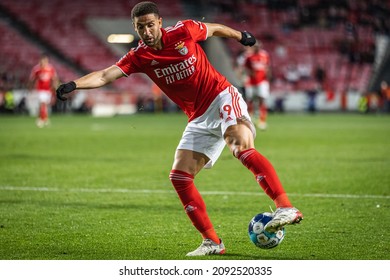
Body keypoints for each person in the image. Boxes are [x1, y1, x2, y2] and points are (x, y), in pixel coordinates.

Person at [56, 1, 303, 256]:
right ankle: (213, 243)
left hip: (221, 97)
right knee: (179, 177)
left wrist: (241, 36)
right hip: (197, 117)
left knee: (239, 147)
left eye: (151, 25)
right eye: (141, 27)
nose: (147, 32)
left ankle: (285, 207)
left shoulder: (183, 31)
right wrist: (74, 84)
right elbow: (106, 75)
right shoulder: (139, 56)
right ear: (135, 28)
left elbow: (215, 28)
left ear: (160, 23)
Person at [243, 42, 271, 130]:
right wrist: (250, 73)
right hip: (251, 82)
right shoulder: (249, 57)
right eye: (255, 46)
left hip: (262, 81)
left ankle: (262, 121)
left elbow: (267, 67)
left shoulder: (265, 55)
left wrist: (268, 75)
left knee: (262, 100)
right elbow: (246, 68)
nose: (257, 48)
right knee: (250, 100)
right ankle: (250, 119)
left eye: (258, 46)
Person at [29, 54, 59, 127]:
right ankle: (42, 119)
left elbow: (55, 78)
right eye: (42, 61)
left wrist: (55, 87)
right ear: (40, 61)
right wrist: (30, 87)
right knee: (43, 104)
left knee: (45, 105)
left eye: (45, 61)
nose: (44, 63)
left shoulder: (50, 68)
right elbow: (32, 79)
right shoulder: (36, 69)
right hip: (40, 89)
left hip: (48, 89)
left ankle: (42, 118)